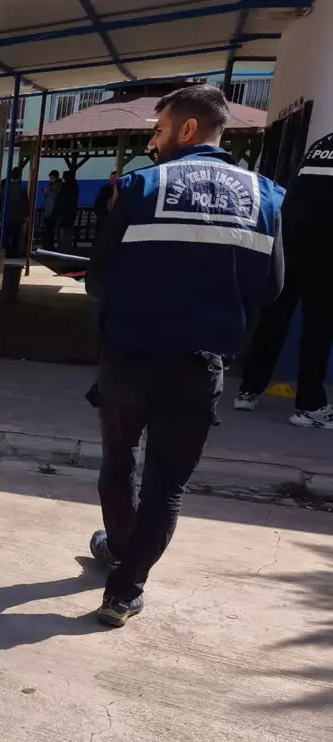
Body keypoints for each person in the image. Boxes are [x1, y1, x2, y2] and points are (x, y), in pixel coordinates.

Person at [85, 85, 285, 628]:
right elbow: (272, 289)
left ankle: (124, 546)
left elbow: (98, 280)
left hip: (129, 358)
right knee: (166, 483)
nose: (153, 141)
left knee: (118, 462)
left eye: (158, 130)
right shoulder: (265, 195)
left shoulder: (141, 186)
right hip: (198, 365)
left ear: (188, 129)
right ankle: (125, 589)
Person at [234, 130, 333, 429]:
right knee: (319, 329)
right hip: (325, 251)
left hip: (288, 242)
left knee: (273, 319)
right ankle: (310, 406)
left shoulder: (322, 143)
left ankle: (248, 389)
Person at [0, 166, 29, 258]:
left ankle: (4, 253)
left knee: (5, 236)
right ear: (19, 177)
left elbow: (0, 202)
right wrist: (26, 215)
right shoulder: (22, 189)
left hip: (6, 216)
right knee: (16, 237)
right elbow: (25, 203)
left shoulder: (5, 188)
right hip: (17, 218)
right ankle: (13, 253)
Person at [55, 170, 80, 252]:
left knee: (64, 232)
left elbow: (63, 201)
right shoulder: (73, 187)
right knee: (65, 232)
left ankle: (64, 249)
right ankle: (64, 248)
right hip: (69, 214)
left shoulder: (67, 189)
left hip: (65, 214)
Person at [93, 171, 117, 237]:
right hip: (104, 218)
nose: (111, 179)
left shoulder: (120, 190)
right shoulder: (104, 189)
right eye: (111, 177)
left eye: (114, 177)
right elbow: (98, 203)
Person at [42, 170, 61, 252]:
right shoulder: (51, 186)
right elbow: (47, 199)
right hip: (48, 211)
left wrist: (48, 192)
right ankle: (47, 245)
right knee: (48, 230)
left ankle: (50, 246)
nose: (51, 180)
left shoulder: (59, 186)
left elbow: (56, 197)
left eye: (52, 179)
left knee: (52, 230)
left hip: (53, 211)